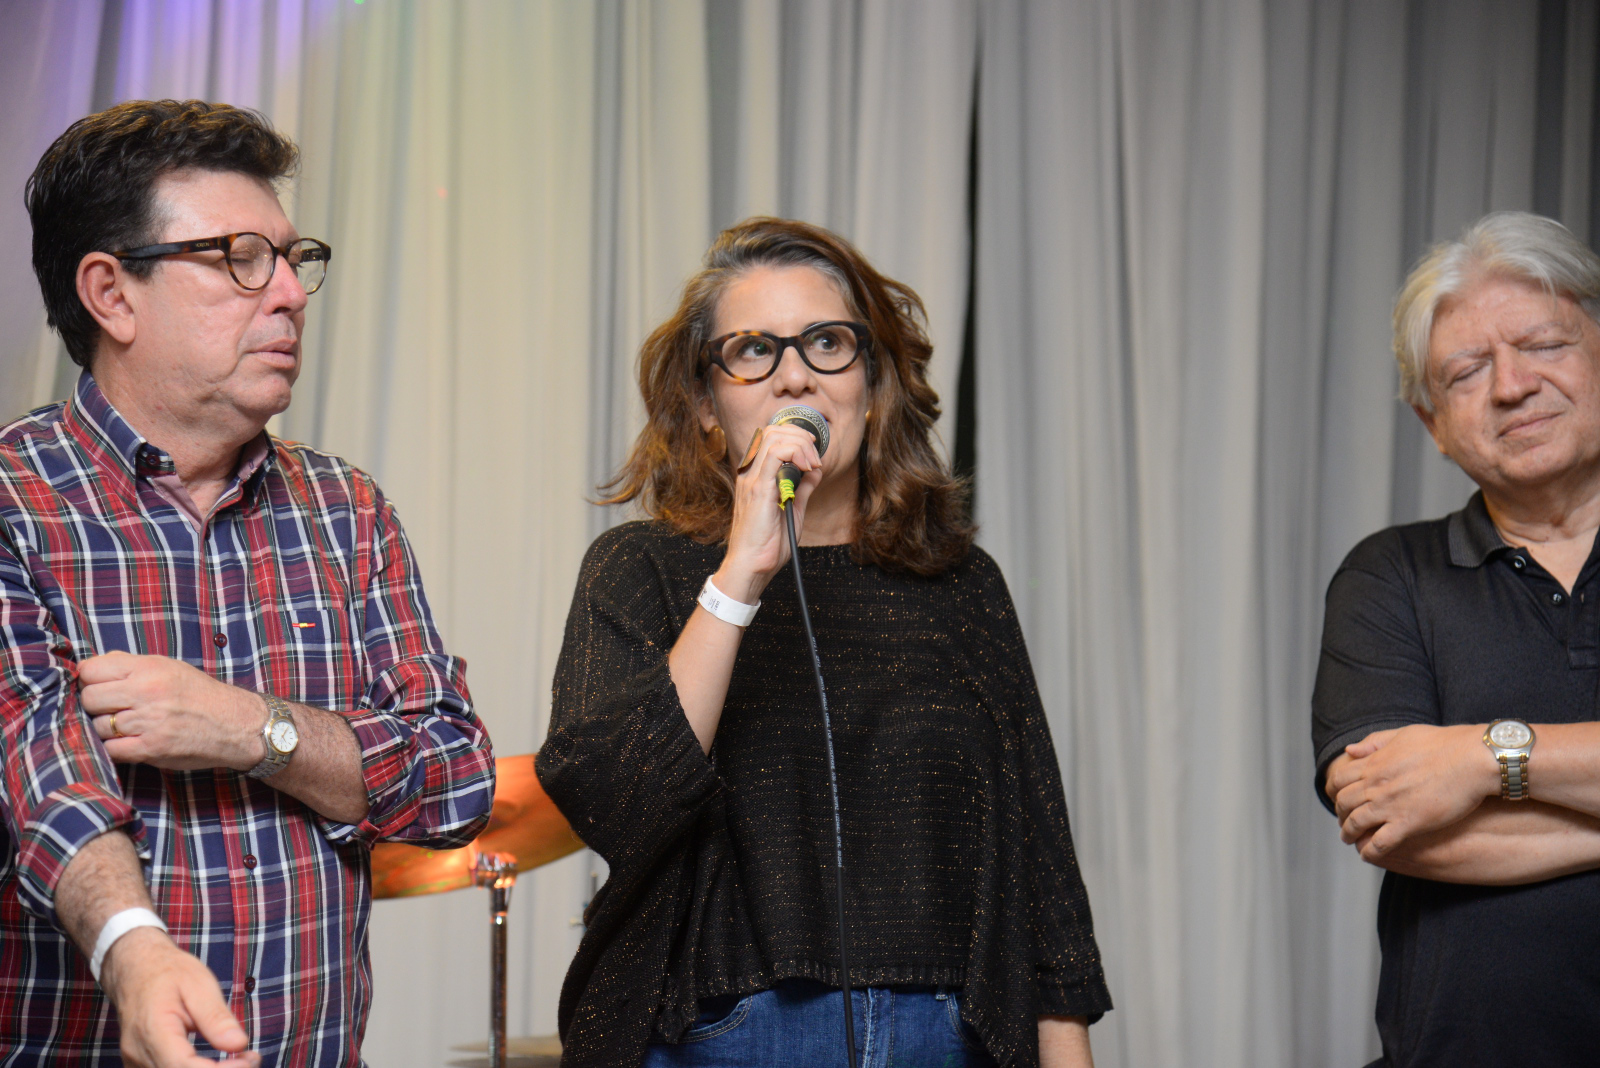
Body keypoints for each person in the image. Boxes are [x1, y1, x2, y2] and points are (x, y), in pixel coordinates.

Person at [537, 217, 1110, 1068]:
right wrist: (740, 574)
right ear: (706, 404)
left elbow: (1042, 865)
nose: (794, 373)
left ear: (872, 386)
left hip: (947, 1036)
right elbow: (616, 801)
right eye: (752, 350)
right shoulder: (640, 568)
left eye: (827, 343)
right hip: (725, 1037)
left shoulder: (960, 585)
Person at [0, 100, 495, 1067]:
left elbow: (454, 778)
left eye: (292, 258)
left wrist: (251, 728)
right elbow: (41, 770)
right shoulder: (16, 499)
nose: (291, 295)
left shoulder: (346, 509)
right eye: (240, 259)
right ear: (111, 293)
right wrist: (134, 950)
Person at [1315, 211, 1600, 1065]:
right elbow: (1395, 826)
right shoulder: (1388, 577)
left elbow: (1451, 797)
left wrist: (1481, 757)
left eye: (1542, 344)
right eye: (1467, 371)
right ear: (1431, 423)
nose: (1512, 385)